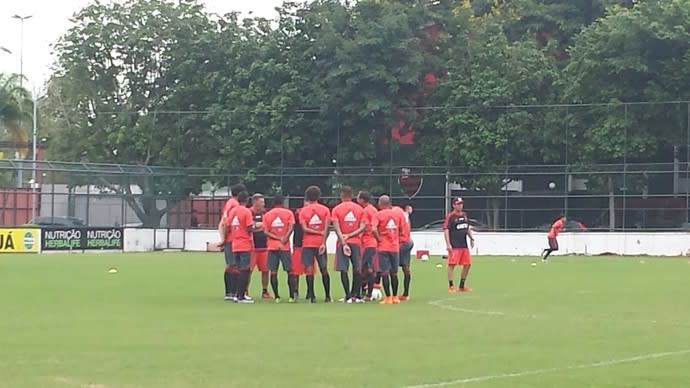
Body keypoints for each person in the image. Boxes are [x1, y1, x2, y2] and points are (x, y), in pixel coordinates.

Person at [331, 186, 366, 303]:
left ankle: (347, 295)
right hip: (356, 242)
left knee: (343, 269)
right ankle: (355, 294)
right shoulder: (359, 209)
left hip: (342, 243)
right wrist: (351, 235)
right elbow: (362, 227)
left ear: (342, 195)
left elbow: (336, 227)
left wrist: (343, 239)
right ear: (352, 196)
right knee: (357, 268)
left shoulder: (336, 209)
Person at [299, 186, 332, 303]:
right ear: (319, 196)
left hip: (308, 243)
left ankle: (312, 296)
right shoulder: (325, 210)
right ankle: (328, 296)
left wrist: (316, 232)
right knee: (324, 269)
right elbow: (327, 228)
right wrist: (323, 241)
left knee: (309, 269)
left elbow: (304, 228)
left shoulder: (304, 211)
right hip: (320, 244)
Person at [372, 195, 405, 305]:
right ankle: (396, 297)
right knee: (394, 273)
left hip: (383, 247)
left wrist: (379, 238)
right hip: (394, 247)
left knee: (385, 272)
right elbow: (401, 229)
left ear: (380, 204)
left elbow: (373, 229)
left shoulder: (378, 215)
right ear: (389, 203)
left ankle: (388, 297)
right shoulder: (397, 215)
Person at [263, 194, 296, 303]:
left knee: (273, 271)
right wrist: (284, 238)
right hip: (284, 247)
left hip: (272, 247)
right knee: (290, 271)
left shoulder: (267, 215)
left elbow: (266, 232)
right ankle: (291, 296)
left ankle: (277, 296)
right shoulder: (288, 213)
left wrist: (276, 238)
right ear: (282, 202)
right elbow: (291, 228)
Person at [217, 183, 246, 301]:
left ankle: (229, 292)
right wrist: (224, 238)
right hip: (233, 238)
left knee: (230, 265)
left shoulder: (229, 203)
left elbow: (222, 222)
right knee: (234, 266)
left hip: (229, 238)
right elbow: (226, 222)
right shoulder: (234, 205)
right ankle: (233, 292)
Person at [225, 191, 255, 303]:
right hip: (244, 243)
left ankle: (235, 294)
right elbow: (249, 228)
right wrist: (257, 228)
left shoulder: (233, 211)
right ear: (247, 200)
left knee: (237, 269)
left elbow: (227, 226)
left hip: (235, 243)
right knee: (245, 269)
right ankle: (241, 296)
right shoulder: (246, 211)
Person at [444, 197, 475, 293]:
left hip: (464, 245)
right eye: (458, 204)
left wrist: (471, 238)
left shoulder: (464, 215)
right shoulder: (451, 216)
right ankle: (451, 286)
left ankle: (462, 285)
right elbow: (446, 230)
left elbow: (467, 227)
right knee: (452, 265)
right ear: (454, 205)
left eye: (461, 203)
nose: (460, 205)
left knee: (467, 265)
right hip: (455, 245)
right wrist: (448, 244)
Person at [249, 193, 272, 299]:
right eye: (261, 202)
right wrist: (260, 226)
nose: (263, 204)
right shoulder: (249, 212)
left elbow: (267, 226)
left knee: (265, 270)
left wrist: (258, 226)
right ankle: (245, 290)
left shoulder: (265, 213)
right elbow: (250, 227)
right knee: (248, 270)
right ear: (255, 202)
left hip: (264, 246)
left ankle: (265, 291)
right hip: (252, 247)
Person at [357, 191, 379, 301]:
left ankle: (361, 293)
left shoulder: (365, 211)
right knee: (368, 268)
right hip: (373, 243)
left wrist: (355, 234)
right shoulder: (373, 209)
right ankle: (368, 294)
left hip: (367, 243)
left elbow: (365, 226)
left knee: (362, 268)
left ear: (361, 199)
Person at [396, 204, 414, 301]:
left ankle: (392, 295)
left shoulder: (396, 213)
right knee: (405, 268)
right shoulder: (404, 215)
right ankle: (406, 294)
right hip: (408, 242)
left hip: (401, 243)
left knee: (390, 268)